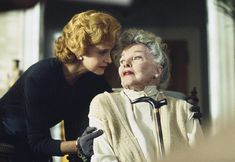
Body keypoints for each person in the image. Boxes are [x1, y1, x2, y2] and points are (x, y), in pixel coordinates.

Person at [0, 10, 121, 162]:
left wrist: (80, 148)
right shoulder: (42, 75)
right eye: (102, 52)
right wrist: (78, 145)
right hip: (5, 142)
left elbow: (83, 138)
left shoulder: (93, 82)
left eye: (110, 52)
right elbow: (38, 143)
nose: (109, 59)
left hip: (35, 145)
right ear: (80, 49)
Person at [88, 28, 204, 162]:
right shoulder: (104, 104)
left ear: (157, 70)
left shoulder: (182, 109)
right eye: (122, 61)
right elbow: (103, 159)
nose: (125, 63)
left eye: (137, 57)